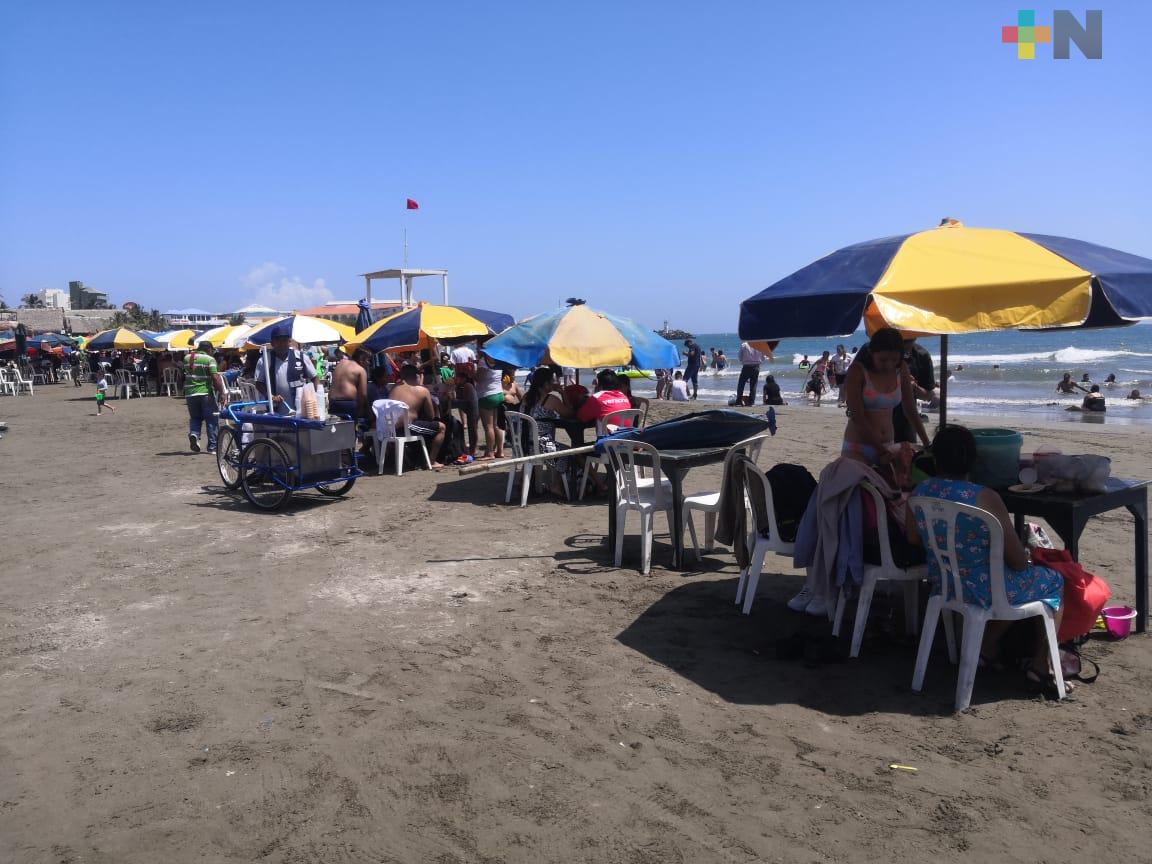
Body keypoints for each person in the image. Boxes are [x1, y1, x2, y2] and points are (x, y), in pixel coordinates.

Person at [905, 425, 1065, 691]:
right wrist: (1026, 557)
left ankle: (988, 646)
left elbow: (912, 538)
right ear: (973, 460)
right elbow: (1016, 561)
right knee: (1054, 581)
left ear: (935, 459)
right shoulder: (984, 497)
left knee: (1006, 582)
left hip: (945, 584)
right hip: (987, 590)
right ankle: (1042, 664)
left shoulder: (920, 492)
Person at [842, 327, 930, 466]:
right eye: (883, 360)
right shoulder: (858, 371)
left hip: (889, 445)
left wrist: (926, 442)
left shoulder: (901, 369)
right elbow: (857, 416)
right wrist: (881, 451)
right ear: (871, 352)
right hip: (858, 447)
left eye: (894, 359)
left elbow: (910, 409)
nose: (889, 364)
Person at [521, 366, 575, 496]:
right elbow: (569, 413)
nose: (555, 383)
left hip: (525, 444)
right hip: (542, 446)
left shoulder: (527, 397)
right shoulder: (550, 399)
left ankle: (528, 482)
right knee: (568, 451)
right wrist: (563, 393)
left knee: (558, 447)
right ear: (546, 384)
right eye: (552, 381)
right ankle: (555, 485)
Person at [387, 364, 445, 468]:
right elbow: (431, 417)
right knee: (441, 427)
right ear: (416, 376)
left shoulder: (394, 388)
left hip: (389, 428)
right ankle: (431, 462)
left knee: (422, 427)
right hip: (405, 427)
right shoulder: (422, 390)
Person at [254, 326, 318, 416]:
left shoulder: (301, 357)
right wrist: (271, 396)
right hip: (275, 410)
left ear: (289, 342)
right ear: (272, 343)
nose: (282, 344)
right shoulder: (264, 360)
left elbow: (315, 378)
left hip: (300, 408)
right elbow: (259, 383)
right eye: (278, 341)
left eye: (285, 340)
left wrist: (316, 396)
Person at [183, 340, 226, 453]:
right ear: (209, 349)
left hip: (190, 393)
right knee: (211, 419)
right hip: (205, 393)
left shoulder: (187, 358)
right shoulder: (209, 359)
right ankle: (212, 447)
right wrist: (222, 392)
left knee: (195, 417)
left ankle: (194, 434)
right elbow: (215, 378)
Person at [893, 336, 937, 443]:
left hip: (906, 423)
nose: (905, 345)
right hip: (877, 424)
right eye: (903, 340)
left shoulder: (921, 355)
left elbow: (928, 395)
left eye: (909, 340)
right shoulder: (877, 352)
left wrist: (912, 386)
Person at [328, 349, 370, 419]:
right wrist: (362, 410)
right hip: (348, 404)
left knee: (338, 428)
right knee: (353, 428)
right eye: (367, 360)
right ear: (361, 359)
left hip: (333, 403)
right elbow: (363, 394)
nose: (368, 363)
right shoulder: (360, 370)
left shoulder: (340, 364)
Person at [735, 341, 765, 406]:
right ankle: (751, 402)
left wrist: (744, 360)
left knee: (741, 383)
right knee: (753, 384)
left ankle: (738, 401)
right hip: (756, 366)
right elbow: (763, 358)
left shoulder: (744, 345)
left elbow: (740, 357)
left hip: (746, 366)